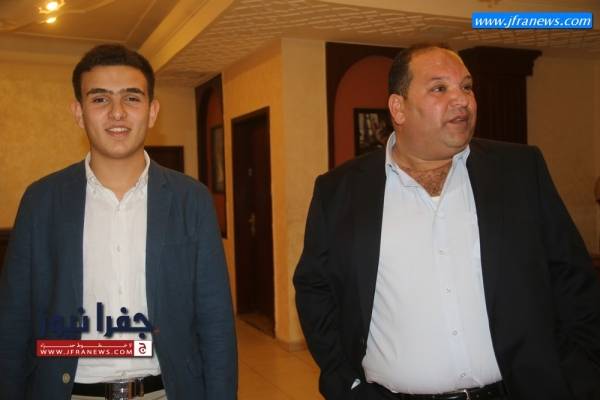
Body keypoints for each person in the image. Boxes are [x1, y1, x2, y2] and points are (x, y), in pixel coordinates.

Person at [293, 43, 600, 400]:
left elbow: (573, 280)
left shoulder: (519, 171)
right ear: (398, 108)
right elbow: (315, 289)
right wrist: (345, 382)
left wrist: (580, 375)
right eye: (439, 88)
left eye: (467, 86)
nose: (462, 100)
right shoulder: (340, 191)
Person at [0, 44, 237, 400]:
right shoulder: (41, 202)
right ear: (79, 113)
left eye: (131, 98)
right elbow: (14, 322)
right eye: (100, 99)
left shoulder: (192, 200)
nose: (117, 112)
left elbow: (216, 322)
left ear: (152, 111)